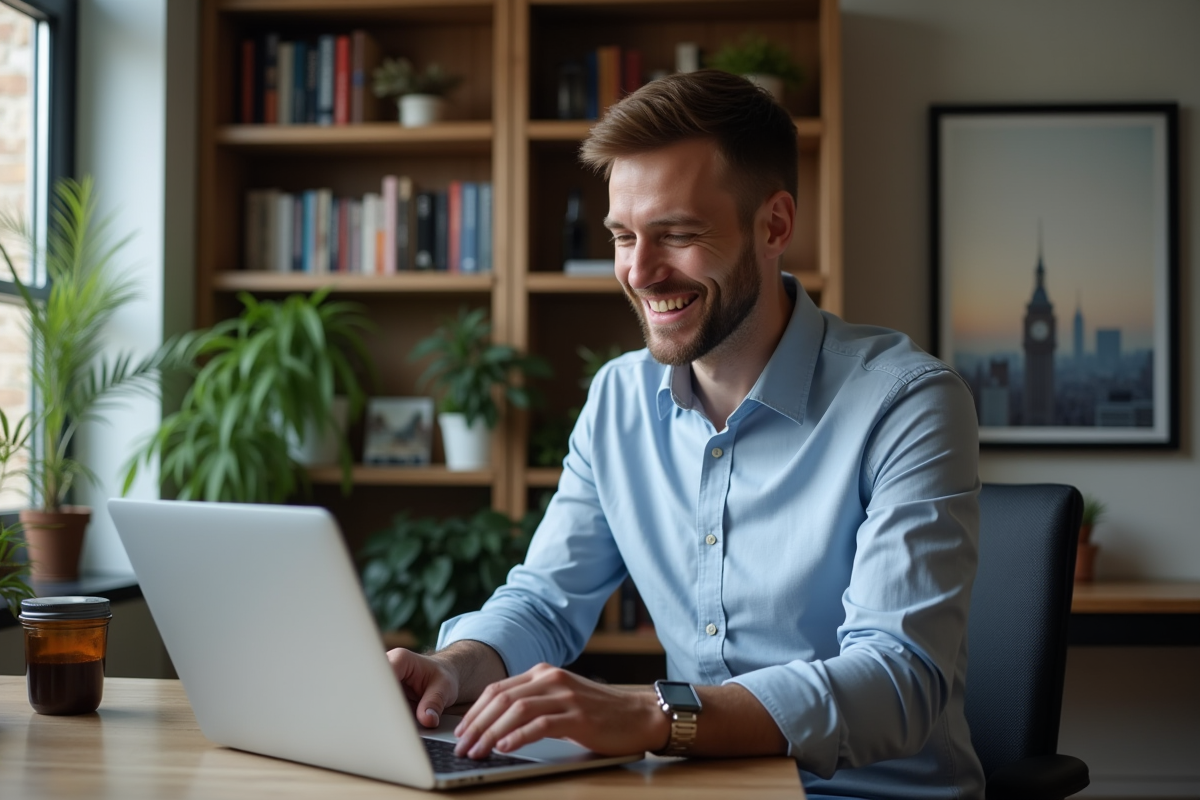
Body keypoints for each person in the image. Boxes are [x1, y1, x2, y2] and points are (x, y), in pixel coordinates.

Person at [387, 70, 985, 800]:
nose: (639, 272)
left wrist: (654, 714)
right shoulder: (618, 397)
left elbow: (896, 680)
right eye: (622, 237)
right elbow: (545, 602)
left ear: (775, 225)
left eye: (677, 234)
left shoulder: (907, 403)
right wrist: (459, 665)